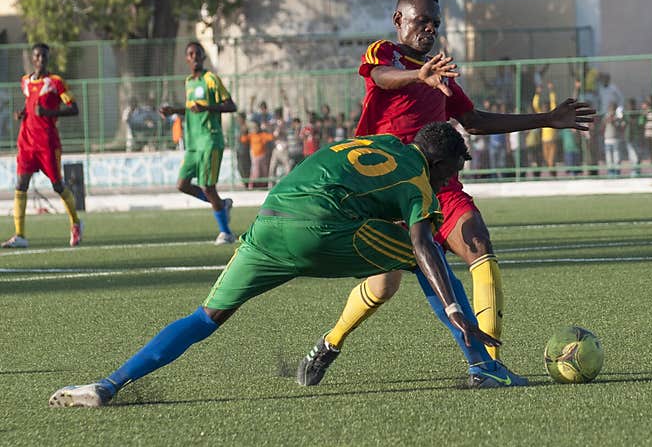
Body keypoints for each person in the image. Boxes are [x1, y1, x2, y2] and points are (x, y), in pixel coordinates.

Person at [48, 122, 527, 408]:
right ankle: (482, 366)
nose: (455, 177)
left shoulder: (383, 142)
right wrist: (454, 307)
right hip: (321, 227)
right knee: (432, 261)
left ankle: (108, 385)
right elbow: (422, 242)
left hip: (270, 220)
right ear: (441, 163)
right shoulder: (421, 181)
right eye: (455, 168)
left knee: (204, 318)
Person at [321, 0, 594, 370]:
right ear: (399, 20)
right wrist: (420, 74)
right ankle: (330, 343)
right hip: (387, 188)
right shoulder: (386, 53)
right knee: (385, 285)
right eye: (421, 21)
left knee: (479, 244)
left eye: (435, 23)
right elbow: (381, 79)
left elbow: (474, 121)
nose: (429, 28)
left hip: (438, 184)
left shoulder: (441, 72)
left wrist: (545, 119)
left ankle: (490, 365)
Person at [2, 43, 83, 249]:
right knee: (21, 185)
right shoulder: (25, 82)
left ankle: (75, 222)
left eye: (44, 56)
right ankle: (20, 235)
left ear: (48, 58)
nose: (40, 60)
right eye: (37, 56)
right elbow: (31, 105)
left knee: (57, 185)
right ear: (32, 58)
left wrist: (49, 114)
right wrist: (23, 113)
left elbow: (74, 109)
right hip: (27, 142)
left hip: (48, 143)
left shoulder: (55, 83)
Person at [160, 42, 237, 245]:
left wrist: (208, 108)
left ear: (203, 57)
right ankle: (221, 205)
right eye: (190, 54)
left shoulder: (211, 79)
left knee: (207, 186)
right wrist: (174, 110)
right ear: (187, 58)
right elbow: (192, 109)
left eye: (197, 54)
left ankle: (226, 232)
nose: (194, 57)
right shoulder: (189, 82)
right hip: (193, 143)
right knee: (182, 184)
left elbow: (230, 105)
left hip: (210, 140)